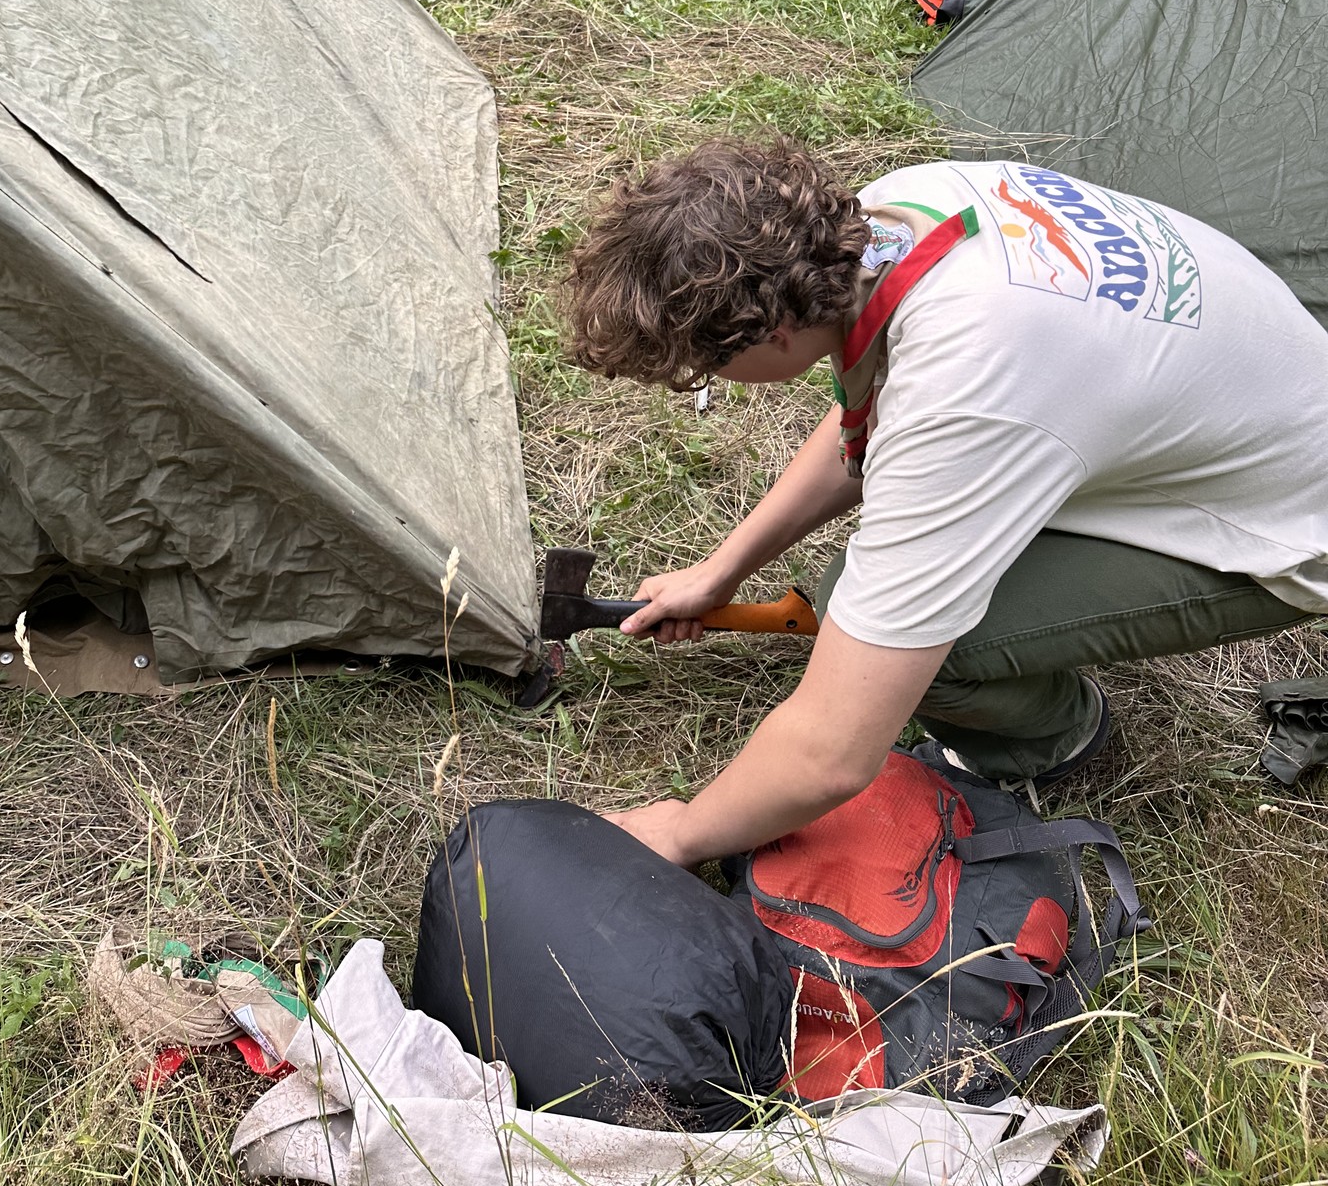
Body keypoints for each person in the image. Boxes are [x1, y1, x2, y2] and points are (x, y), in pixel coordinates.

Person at [566, 139, 1328, 867]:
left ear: (776, 332)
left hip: (1290, 526)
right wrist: (724, 566)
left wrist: (683, 831)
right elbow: (881, 410)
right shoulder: (897, 214)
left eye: (707, 366)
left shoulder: (972, 391)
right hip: (1260, 395)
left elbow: (834, 752)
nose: (709, 382)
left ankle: (1052, 740)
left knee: (920, 645)